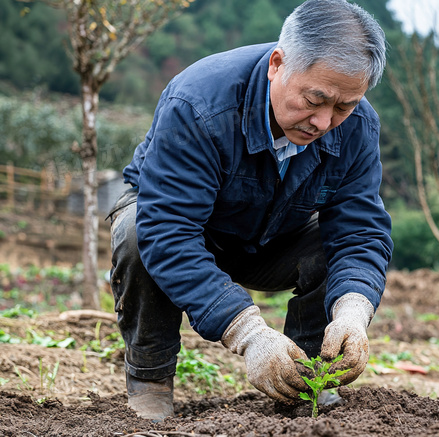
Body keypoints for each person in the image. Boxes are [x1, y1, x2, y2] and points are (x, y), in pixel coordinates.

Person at [107, 0, 392, 422]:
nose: (323, 121)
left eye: (344, 106)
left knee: (333, 250)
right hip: (180, 224)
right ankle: (150, 379)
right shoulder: (200, 103)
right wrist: (250, 334)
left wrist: (353, 308)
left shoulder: (358, 127)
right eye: (314, 99)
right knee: (136, 233)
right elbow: (169, 230)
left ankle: (308, 378)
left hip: (274, 235)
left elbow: (360, 231)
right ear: (277, 64)